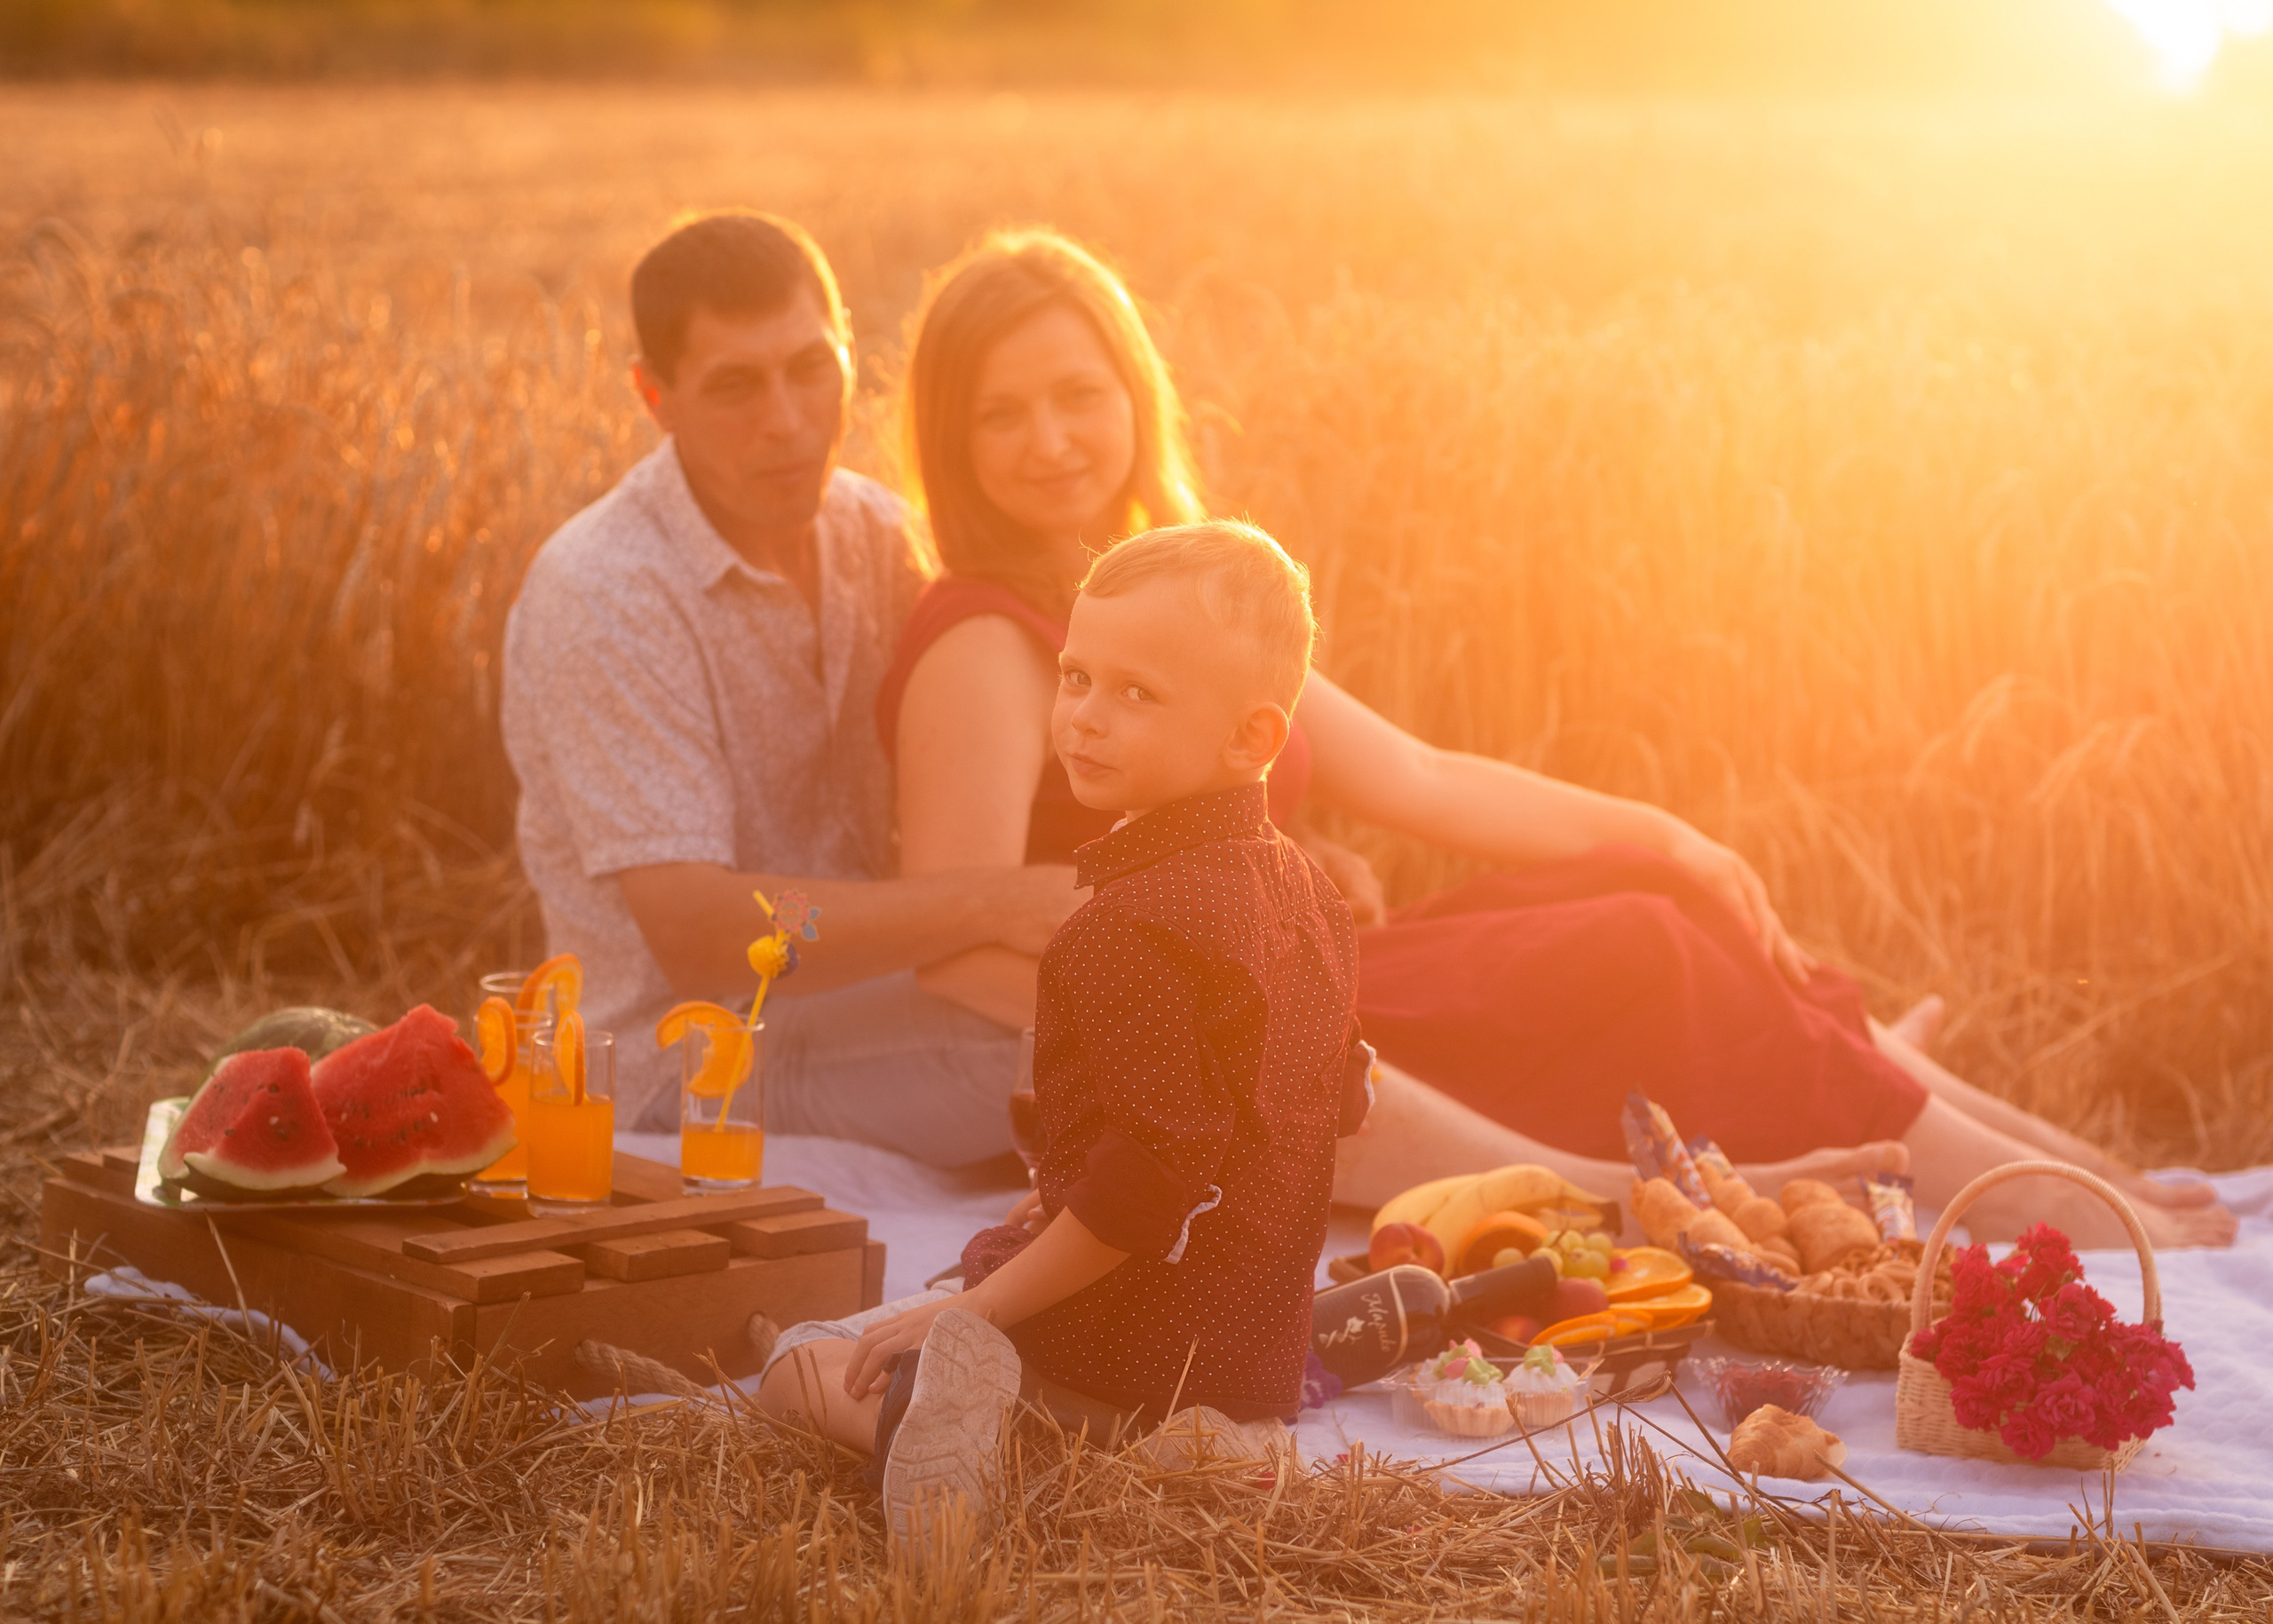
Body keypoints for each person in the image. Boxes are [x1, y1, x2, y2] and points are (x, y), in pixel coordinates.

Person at [876, 226, 2236, 1250]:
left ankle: (2064, 1171)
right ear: (951, 438)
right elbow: (956, 947)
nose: (1053, 439)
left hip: (1303, 963)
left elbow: (1419, 777)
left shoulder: (1157, 592)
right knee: (1642, 954)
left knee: (1650, 891)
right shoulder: (988, 641)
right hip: (1232, 1013)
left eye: (1079, 394)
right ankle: (2066, 1208)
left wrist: (1673, 832)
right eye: (1003, 412)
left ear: (1136, 397)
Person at [756, 522, 1367, 1546]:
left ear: (1252, 738)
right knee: (983, 1263)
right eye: (1077, 676)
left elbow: (1143, 1191)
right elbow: (1329, 1101)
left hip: (1125, 1350)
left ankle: (1013, 1451)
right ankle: (1210, 1442)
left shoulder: (1119, 929)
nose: (1083, 717)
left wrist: (977, 1308)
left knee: (801, 1366)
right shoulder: (1312, 894)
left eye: (1136, 694)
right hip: (1248, 1357)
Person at [500, 210, 1081, 1159]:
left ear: (851, 349)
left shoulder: (879, 535)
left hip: (876, 1000)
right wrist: (995, 901)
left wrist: (1256, 851)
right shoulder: (604, 590)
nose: (787, 419)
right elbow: (695, 930)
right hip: (689, 1060)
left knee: (1182, 1011)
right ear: (655, 396)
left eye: (811, 367)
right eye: (735, 386)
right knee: (1132, 1047)